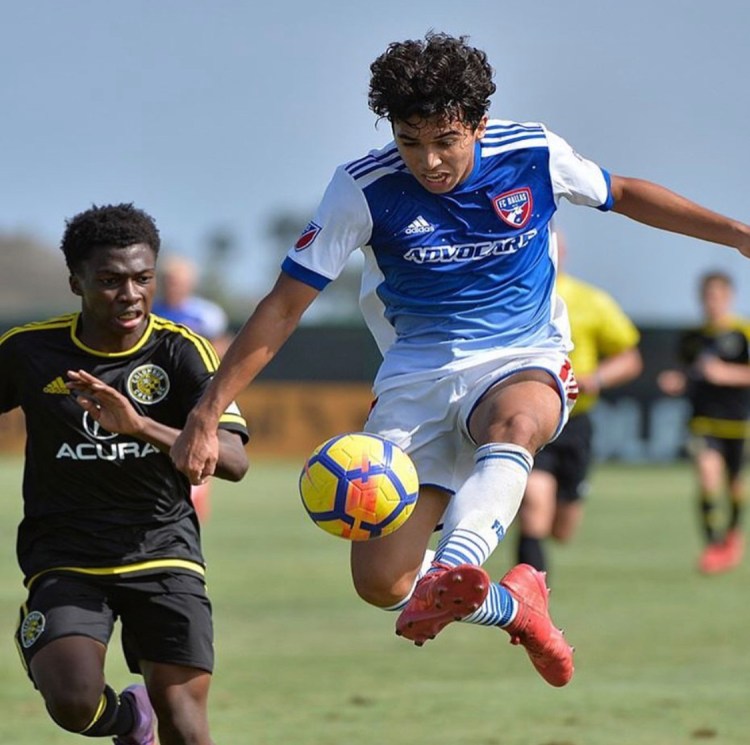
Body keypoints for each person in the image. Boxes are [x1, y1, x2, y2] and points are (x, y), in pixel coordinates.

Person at [171, 32, 750, 688]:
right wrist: (207, 412)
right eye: (409, 141)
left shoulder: (532, 152)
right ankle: (514, 606)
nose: (429, 161)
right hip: (415, 377)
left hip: (523, 354)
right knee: (382, 582)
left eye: (445, 140)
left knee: (518, 421)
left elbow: (624, 192)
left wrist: (736, 234)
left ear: (478, 122)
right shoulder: (362, 188)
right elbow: (282, 306)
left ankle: (454, 567)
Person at [0, 203, 249, 744]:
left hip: (162, 551)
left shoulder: (182, 351)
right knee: (73, 704)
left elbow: (233, 461)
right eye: (110, 281)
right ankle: (131, 721)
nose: (130, 294)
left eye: (142, 278)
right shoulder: (29, 350)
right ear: (76, 282)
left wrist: (139, 426)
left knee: (186, 725)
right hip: (65, 555)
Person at [516, 231, 643, 575]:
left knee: (562, 528)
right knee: (534, 503)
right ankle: (527, 597)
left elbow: (630, 358)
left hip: (576, 423)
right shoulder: (511, 296)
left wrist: (595, 379)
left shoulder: (591, 300)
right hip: (531, 418)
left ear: (561, 251)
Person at [658, 271, 750, 574]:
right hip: (703, 420)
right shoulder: (692, 338)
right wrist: (677, 381)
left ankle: (733, 535)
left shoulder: (743, 333)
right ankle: (714, 545)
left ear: (729, 297)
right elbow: (688, 374)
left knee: (735, 485)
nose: (713, 302)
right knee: (707, 474)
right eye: (708, 296)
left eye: (719, 296)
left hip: (739, 422)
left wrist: (726, 374)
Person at [152, 254, 234, 522]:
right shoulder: (151, 312)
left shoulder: (206, 313)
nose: (172, 285)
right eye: (167, 280)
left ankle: (193, 505)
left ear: (189, 283)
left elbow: (221, 347)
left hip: (195, 393)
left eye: (177, 280)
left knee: (198, 443)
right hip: (158, 392)